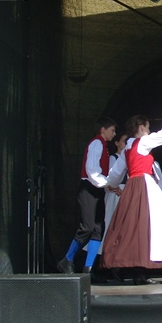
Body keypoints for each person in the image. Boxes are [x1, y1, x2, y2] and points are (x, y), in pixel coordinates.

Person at [101, 104, 162, 285]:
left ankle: (137, 271)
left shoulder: (127, 149)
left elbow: (115, 175)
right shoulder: (143, 142)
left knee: (133, 227)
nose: (148, 130)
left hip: (132, 186)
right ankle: (140, 271)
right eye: (147, 127)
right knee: (148, 226)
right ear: (141, 127)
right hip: (145, 186)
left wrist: (111, 185)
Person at [57, 116, 117, 281]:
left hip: (98, 190)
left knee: (98, 229)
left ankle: (88, 269)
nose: (114, 134)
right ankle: (67, 259)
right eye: (112, 130)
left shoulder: (103, 146)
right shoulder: (97, 143)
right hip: (89, 189)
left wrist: (106, 184)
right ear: (103, 130)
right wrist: (107, 183)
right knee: (88, 227)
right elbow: (92, 170)